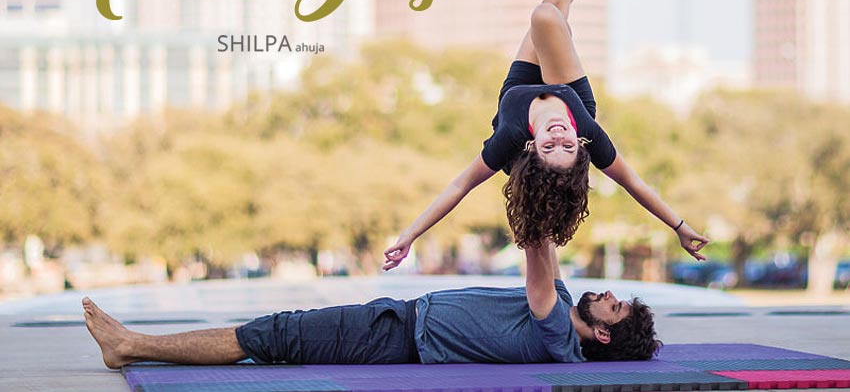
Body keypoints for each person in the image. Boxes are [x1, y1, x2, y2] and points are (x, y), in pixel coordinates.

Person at [383, 0, 708, 268]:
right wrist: (679, 226)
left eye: (549, 147)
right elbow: (633, 183)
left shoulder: (510, 139)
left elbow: (458, 187)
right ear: (579, 144)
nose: (559, 138)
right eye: (567, 147)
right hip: (569, 94)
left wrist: (409, 235)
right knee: (549, 13)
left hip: (518, 93)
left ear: (531, 147)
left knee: (547, 12)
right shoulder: (585, 130)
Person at [82, 240, 660, 368]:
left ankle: (129, 346)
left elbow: (536, 249)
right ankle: (131, 343)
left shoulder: (559, 336)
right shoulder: (564, 301)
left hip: (392, 337)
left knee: (274, 335)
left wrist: (532, 166)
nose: (608, 295)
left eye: (616, 307)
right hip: (398, 319)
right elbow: (550, 248)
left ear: (603, 335)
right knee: (277, 331)